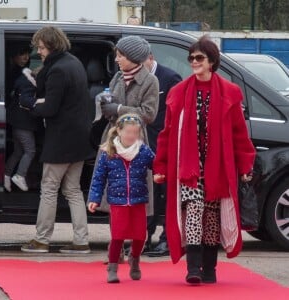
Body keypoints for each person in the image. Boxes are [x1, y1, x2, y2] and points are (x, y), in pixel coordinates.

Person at [153, 35, 256, 285]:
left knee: (212, 216)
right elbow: (166, 133)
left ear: (212, 61)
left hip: (218, 166)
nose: (194, 62)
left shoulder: (230, 93)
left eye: (199, 58)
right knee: (193, 212)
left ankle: (210, 269)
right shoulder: (179, 92)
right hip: (188, 166)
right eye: (191, 58)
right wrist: (161, 166)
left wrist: (245, 166)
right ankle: (194, 268)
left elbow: (239, 134)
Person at [21, 26, 91, 254]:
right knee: (73, 190)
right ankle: (81, 241)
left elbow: (50, 108)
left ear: (51, 45)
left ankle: (41, 240)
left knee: (49, 188)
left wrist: (30, 105)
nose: (39, 52)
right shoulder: (74, 62)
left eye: (41, 47)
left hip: (61, 139)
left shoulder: (58, 70)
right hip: (79, 139)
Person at [93, 35, 159, 262]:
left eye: (121, 55)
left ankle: (136, 249)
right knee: (114, 194)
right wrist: (104, 104)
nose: (117, 59)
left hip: (136, 143)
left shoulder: (150, 81)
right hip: (113, 140)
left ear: (133, 57)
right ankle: (117, 250)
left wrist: (119, 108)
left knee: (137, 195)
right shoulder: (118, 78)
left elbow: (149, 114)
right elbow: (111, 103)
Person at [88, 113, 154, 283]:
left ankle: (135, 258)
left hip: (138, 200)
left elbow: (157, 164)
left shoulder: (144, 150)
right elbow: (98, 177)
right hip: (117, 201)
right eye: (128, 132)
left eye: (135, 133)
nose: (132, 136)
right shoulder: (108, 152)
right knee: (118, 235)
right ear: (118, 131)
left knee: (140, 236)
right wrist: (94, 198)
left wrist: (161, 173)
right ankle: (112, 266)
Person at [143, 53, 182, 256]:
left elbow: (175, 114)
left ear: (150, 58)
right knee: (148, 195)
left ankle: (167, 239)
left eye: (141, 62)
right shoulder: (135, 77)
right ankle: (144, 237)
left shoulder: (169, 78)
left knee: (166, 194)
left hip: (165, 146)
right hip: (143, 145)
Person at [4, 44, 42, 192]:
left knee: (18, 151)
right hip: (23, 122)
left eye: (27, 53)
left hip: (15, 120)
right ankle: (19, 175)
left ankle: (6, 175)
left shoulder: (20, 75)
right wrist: (40, 101)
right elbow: (25, 100)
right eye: (22, 53)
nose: (26, 57)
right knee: (30, 150)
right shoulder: (25, 80)